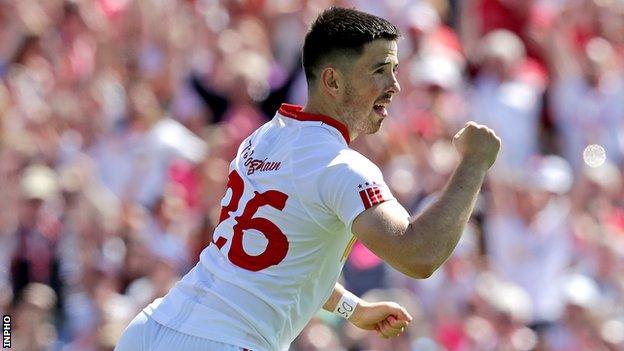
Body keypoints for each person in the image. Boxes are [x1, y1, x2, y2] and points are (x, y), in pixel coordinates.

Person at [115, 7, 501, 351]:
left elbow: (273, 260)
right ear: (332, 81)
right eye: (380, 71)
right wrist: (474, 165)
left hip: (149, 329)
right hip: (226, 341)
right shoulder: (343, 167)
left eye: (395, 70)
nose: (395, 86)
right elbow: (419, 255)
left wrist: (351, 306)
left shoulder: (263, 137)